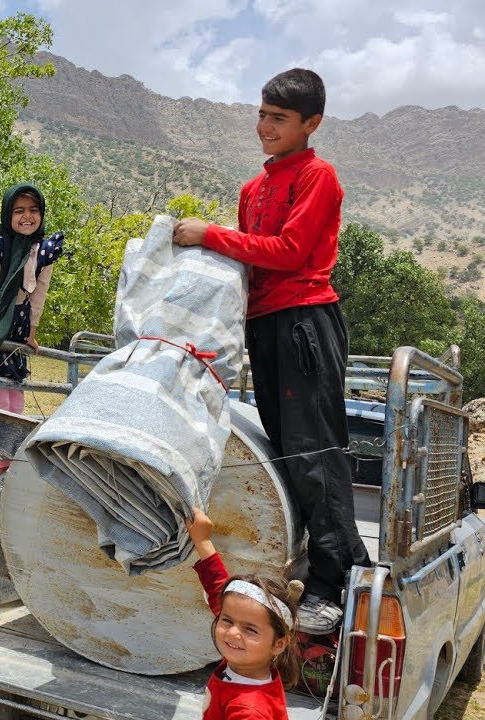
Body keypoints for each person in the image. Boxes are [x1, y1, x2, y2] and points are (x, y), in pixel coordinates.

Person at [172, 68, 369, 634]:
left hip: (305, 320)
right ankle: (326, 563)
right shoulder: (253, 189)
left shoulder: (318, 176)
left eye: (278, 118)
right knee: (285, 447)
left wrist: (209, 235)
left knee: (313, 450)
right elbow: (248, 266)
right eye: (261, 115)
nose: (265, 127)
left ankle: (335, 582)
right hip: (264, 323)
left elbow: (287, 252)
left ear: (312, 124)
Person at [0, 184, 64, 475]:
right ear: (8, 213)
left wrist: (31, 333)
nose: (27, 216)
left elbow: (39, 294)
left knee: (17, 398)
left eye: (33, 210)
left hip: (20, 322)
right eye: (19, 210)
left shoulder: (44, 250)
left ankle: (7, 464)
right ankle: (1, 467)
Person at [186, 508, 301, 720]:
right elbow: (218, 589)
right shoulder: (248, 663)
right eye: (227, 620)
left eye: (250, 629)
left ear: (278, 644)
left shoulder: (247, 711)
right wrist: (202, 541)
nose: (232, 633)